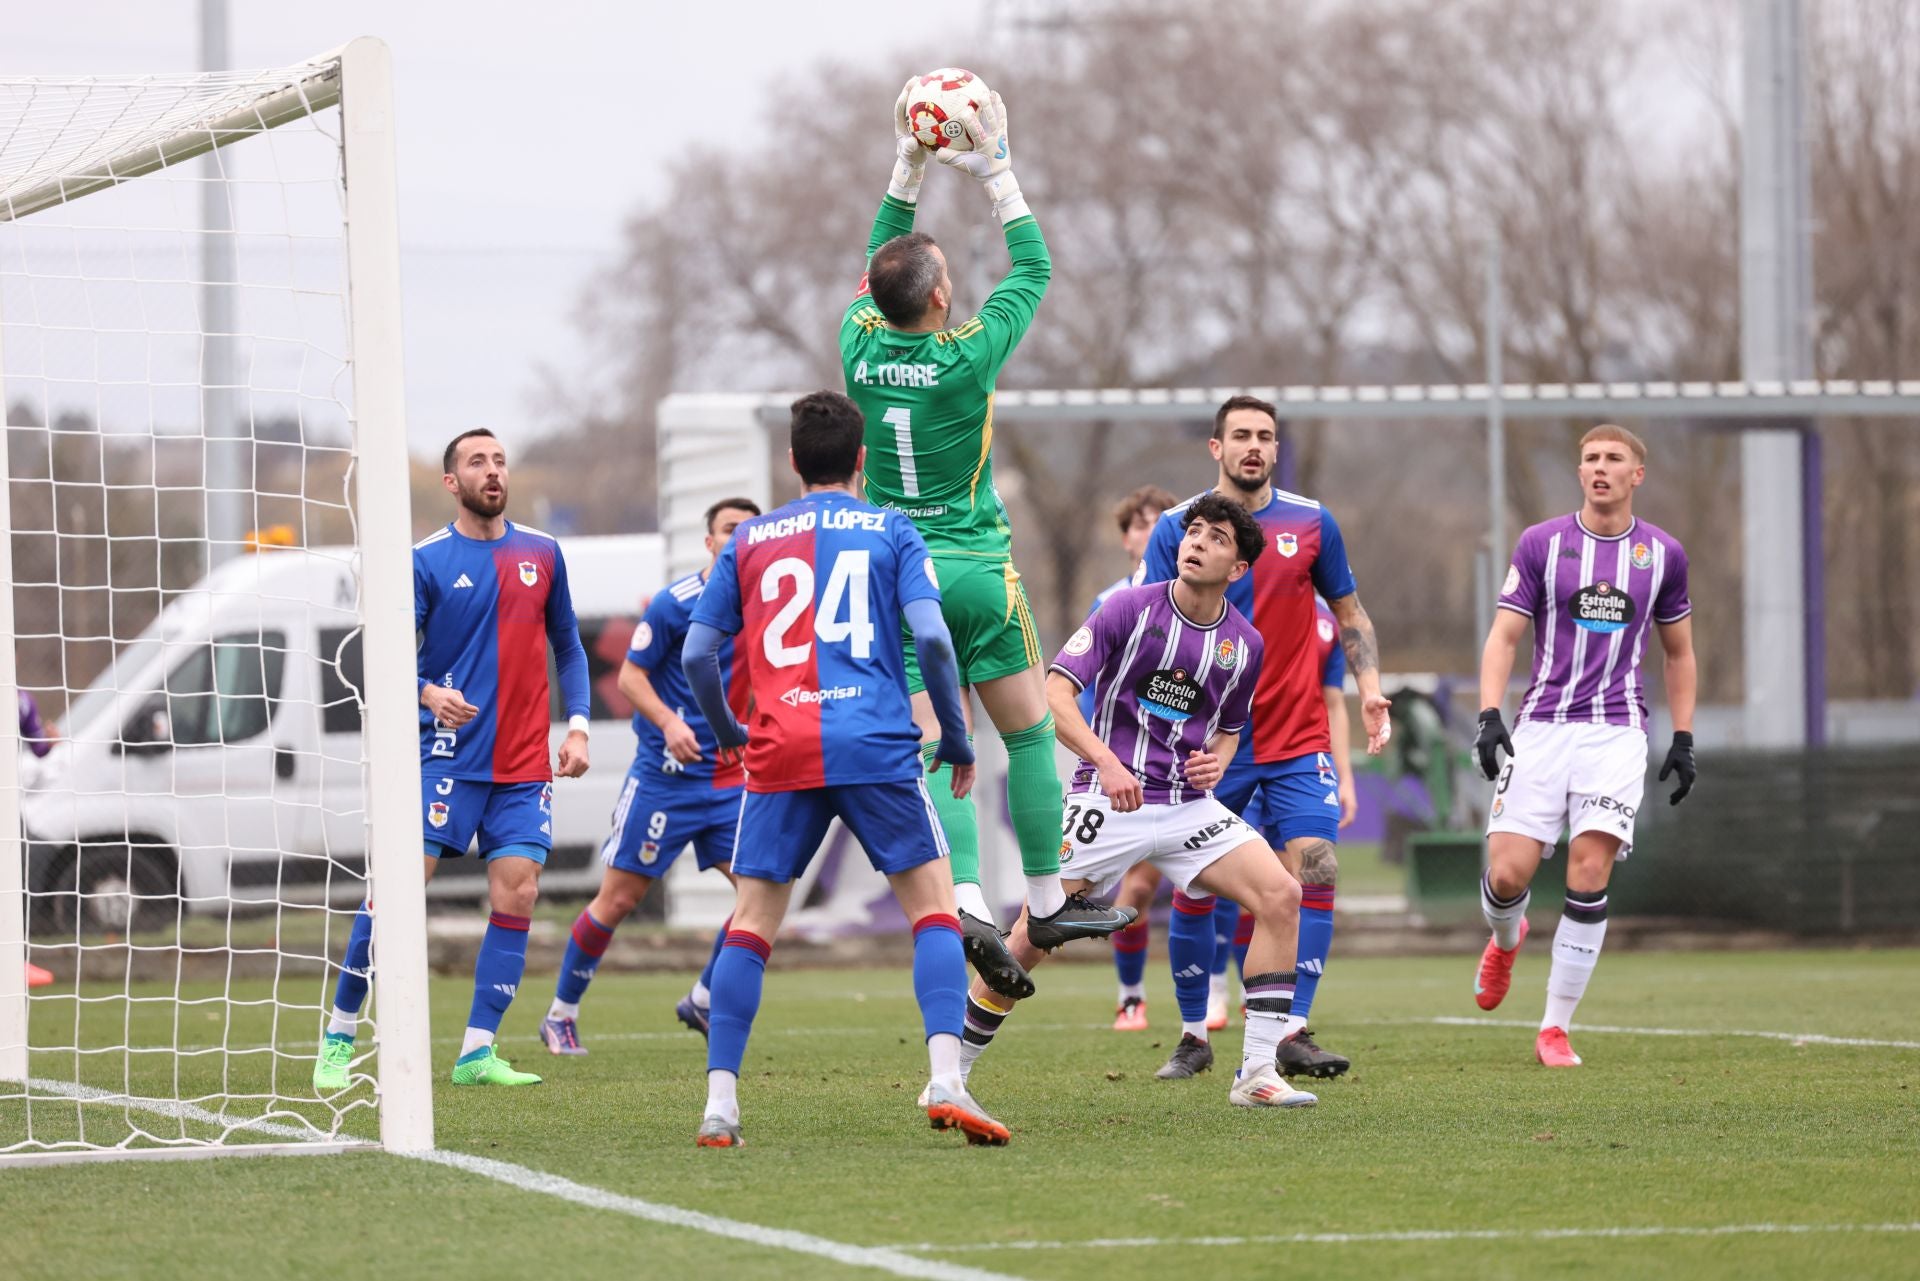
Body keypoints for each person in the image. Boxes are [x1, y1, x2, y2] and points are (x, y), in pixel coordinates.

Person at [841, 81, 1129, 1000]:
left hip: (897, 574)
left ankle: (966, 895)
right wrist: (996, 172)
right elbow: (1035, 267)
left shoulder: (857, 347)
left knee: (939, 738)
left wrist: (908, 166)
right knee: (1029, 731)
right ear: (939, 294)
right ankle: (1043, 898)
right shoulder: (968, 356)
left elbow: (871, 271)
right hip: (971, 570)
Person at [680, 391, 1007, 1148]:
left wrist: (732, 734)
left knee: (752, 920)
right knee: (929, 907)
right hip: (874, 744)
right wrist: (956, 736)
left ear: (792, 460)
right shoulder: (892, 528)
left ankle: (720, 1104)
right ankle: (948, 1079)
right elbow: (930, 639)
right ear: (864, 460)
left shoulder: (750, 538)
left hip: (780, 746)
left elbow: (699, 653)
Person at [950, 494, 1318, 1108]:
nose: (1196, 542)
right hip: (1106, 799)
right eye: (1193, 531)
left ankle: (1255, 1074)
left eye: (1216, 538)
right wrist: (1106, 761)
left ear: (1239, 568)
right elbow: (1054, 696)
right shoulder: (1127, 609)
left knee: (1282, 894)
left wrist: (1217, 763)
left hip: (1186, 809)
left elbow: (1229, 727)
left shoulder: (1244, 645)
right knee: (1028, 939)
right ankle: (952, 1071)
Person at [314, 429, 591, 1092]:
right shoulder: (427, 560)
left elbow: (570, 647)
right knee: (402, 887)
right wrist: (428, 691)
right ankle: (339, 1032)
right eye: (476, 462)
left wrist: (577, 726)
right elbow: (383, 651)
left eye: (498, 460)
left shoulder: (544, 553)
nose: (491, 471)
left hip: (523, 762)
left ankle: (477, 1049)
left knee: (518, 888)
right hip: (446, 754)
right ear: (451, 481)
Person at [1137, 395, 1390, 1079]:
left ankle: (1291, 1029)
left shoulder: (1313, 522)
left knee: (1315, 869)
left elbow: (1350, 611)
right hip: (1209, 746)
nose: (1254, 445)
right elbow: (1150, 627)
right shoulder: (1176, 527)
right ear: (1215, 447)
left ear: (1277, 449)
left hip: (1297, 737)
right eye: (1241, 435)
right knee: (1196, 888)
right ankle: (1194, 1033)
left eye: (1266, 436)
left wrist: (1369, 688)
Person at [1472, 424, 1696, 1068]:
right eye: (1591, 459)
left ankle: (1554, 1027)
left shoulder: (1663, 555)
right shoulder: (1542, 544)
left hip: (1617, 730)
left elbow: (1679, 653)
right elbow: (1505, 636)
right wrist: (1491, 715)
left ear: (1636, 474)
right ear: (1580, 472)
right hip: (1541, 727)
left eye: (1614, 459)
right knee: (1509, 873)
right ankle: (1507, 939)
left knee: (1588, 871)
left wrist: (1682, 736)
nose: (1601, 468)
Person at [538, 497, 761, 1056]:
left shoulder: (767, 605)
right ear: (709, 542)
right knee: (617, 901)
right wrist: (668, 723)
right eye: (729, 529)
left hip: (728, 780)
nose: (739, 538)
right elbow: (633, 679)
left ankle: (705, 997)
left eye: (749, 531)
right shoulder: (674, 603)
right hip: (665, 779)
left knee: (763, 891)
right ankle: (560, 1014)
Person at [1116, 597, 1355, 1042]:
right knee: (1188, 883)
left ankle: (1291, 1026)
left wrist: (1346, 776)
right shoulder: (1189, 601)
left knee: (1303, 877)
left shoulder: (1325, 614)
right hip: (1223, 753)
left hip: (1298, 753)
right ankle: (1192, 1026)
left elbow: (1334, 698)